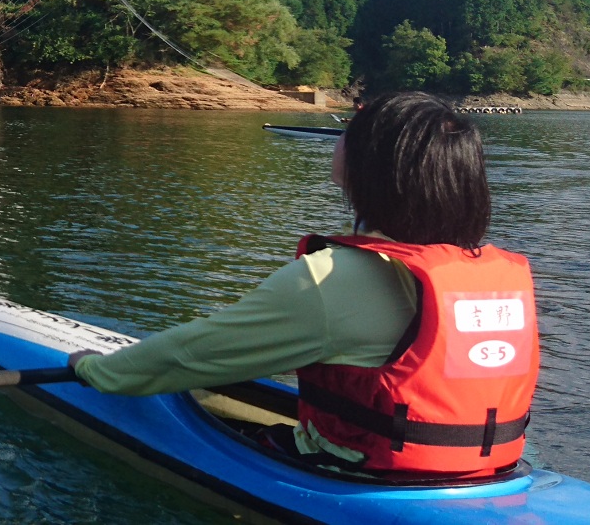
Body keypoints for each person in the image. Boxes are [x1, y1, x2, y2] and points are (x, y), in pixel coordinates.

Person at [69, 91, 538, 478]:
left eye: (345, 137)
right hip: (492, 471)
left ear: (369, 168)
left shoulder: (331, 279)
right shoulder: (495, 279)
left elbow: (195, 353)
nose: (336, 143)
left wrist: (99, 372)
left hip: (361, 474)